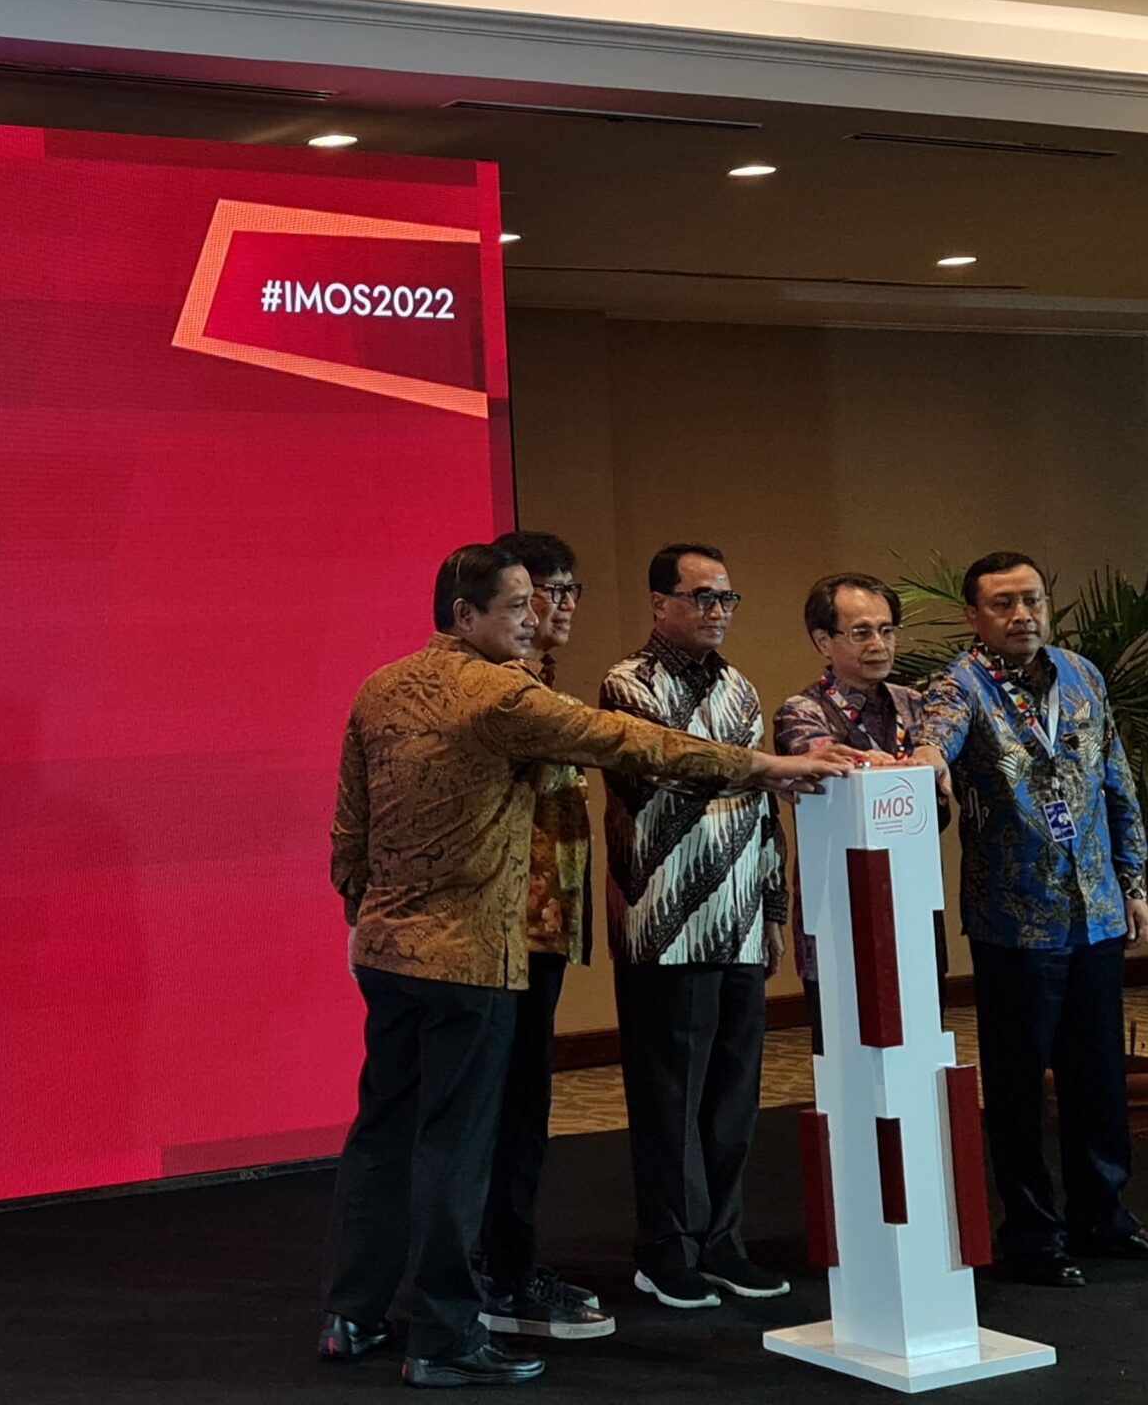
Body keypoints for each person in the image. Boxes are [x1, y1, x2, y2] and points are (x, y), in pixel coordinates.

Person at [322, 544, 856, 1386]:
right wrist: (767, 766)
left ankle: (352, 1316)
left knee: (384, 1137)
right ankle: (443, 1340)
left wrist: (363, 910)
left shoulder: (379, 687)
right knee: (458, 1152)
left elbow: (349, 828)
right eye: (516, 608)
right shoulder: (501, 693)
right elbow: (630, 742)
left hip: (389, 955)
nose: (532, 620)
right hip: (469, 960)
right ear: (464, 615)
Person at [905, 552, 1148, 1285]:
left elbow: (1116, 782)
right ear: (974, 616)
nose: (1021, 616)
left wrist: (1132, 882)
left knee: (1097, 1076)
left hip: (1094, 911)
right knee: (1016, 1087)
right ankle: (1033, 1234)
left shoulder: (1083, 675)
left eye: (1031, 600)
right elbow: (936, 734)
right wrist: (928, 758)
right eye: (1002, 604)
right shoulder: (960, 686)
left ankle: (1104, 1217)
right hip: (1015, 921)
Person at [597, 544, 789, 1310]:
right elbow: (669, 771)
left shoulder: (741, 688)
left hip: (739, 917)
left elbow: (763, 806)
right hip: (665, 920)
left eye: (726, 598)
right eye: (701, 596)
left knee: (733, 1095)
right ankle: (665, 1249)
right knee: (669, 1098)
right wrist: (756, 768)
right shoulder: (627, 684)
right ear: (659, 603)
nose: (716, 611)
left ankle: (722, 1242)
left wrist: (773, 907)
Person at [474, 531, 611, 1342]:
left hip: (542, 931)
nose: (557, 607)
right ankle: (500, 1273)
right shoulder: (505, 694)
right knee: (508, 1113)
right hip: (503, 936)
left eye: (567, 590)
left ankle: (504, 1264)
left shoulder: (541, 681)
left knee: (523, 1108)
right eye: (539, 593)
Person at [772, 574, 927, 1046]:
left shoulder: (915, 705)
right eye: (861, 632)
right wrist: (897, 766)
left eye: (887, 630)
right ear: (824, 641)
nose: (879, 644)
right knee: (844, 1048)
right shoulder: (803, 712)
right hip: (838, 903)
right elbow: (828, 764)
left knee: (920, 1040)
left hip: (915, 897)